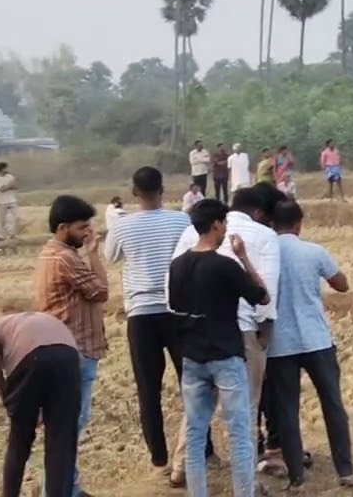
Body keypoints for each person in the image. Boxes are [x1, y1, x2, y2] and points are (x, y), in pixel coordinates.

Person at [103, 167, 217, 481]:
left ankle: (159, 459)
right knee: (193, 383)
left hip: (141, 315)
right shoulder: (181, 221)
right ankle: (203, 450)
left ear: (134, 192)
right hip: (178, 311)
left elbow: (111, 257)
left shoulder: (122, 226)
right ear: (162, 189)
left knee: (148, 389)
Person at [170, 183, 282, 486]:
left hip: (193, 355)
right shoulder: (227, 263)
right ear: (217, 225)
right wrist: (243, 257)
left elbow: (174, 305)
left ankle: (194, 487)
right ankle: (245, 490)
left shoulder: (177, 265)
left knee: (195, 431)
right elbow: (262, 295)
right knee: (240, 429)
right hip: (227, 352)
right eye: (223, 224)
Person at [264, 201, 353, 489]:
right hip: (316, 339)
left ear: (272, 224)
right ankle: (345, 470)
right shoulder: (314, 251)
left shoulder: (266, 255)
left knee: (287, 411)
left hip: (280, 344)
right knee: (332, 404)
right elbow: (341, 284)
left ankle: (296, 477)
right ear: (299, 224)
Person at [33, 195, 108, 496]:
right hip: (75, 349)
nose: (88, 233)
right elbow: (101, 291)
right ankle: (60, 488)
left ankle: (68, 486)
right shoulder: (64, 258)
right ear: (63, 227)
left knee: (67, 425)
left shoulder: (52, 254)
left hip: (66, 348)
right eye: (82, 227)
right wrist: (94, 255)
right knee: (68, 426)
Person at [0, 309, 83, 497]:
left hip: (28, 352)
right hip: (68, 355)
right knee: (61, 439)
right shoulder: (7, 324)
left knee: (20, 438)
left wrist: (13, 404)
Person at [0, 161, 17, 239]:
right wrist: (10, 184)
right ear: (2, 169)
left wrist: (8, 186)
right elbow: (1, 189)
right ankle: (4, 236)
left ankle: (13, 234)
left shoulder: (10, 176)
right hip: (2, 201)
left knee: (17, 217)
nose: (7, 169)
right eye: (6, 168)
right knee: (2, 221)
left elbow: (15, 187)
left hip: (12, 200)